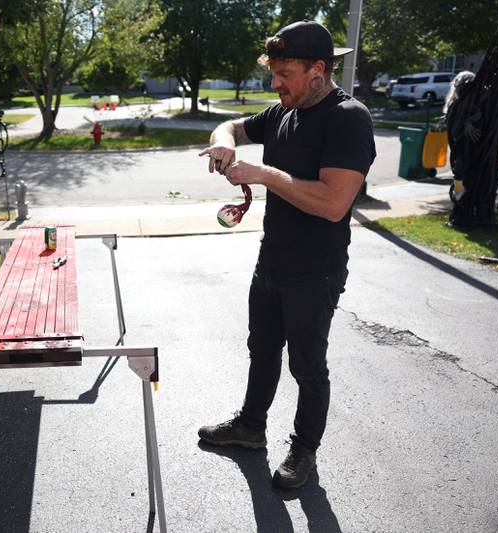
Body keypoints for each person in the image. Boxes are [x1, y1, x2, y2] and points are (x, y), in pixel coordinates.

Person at [197, 20, 376, 490]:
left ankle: (304, 450)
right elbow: (232, 124)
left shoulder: (348, 118)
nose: (275, 84)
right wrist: (224, 141)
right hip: (272, 260)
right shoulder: (283, 111)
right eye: (273, 73)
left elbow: (334, 203)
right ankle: (251, 428)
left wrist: (264, 174)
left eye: (286, 74)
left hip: (315, 272)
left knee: (307, 366)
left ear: (319, 69)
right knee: (262, 350)